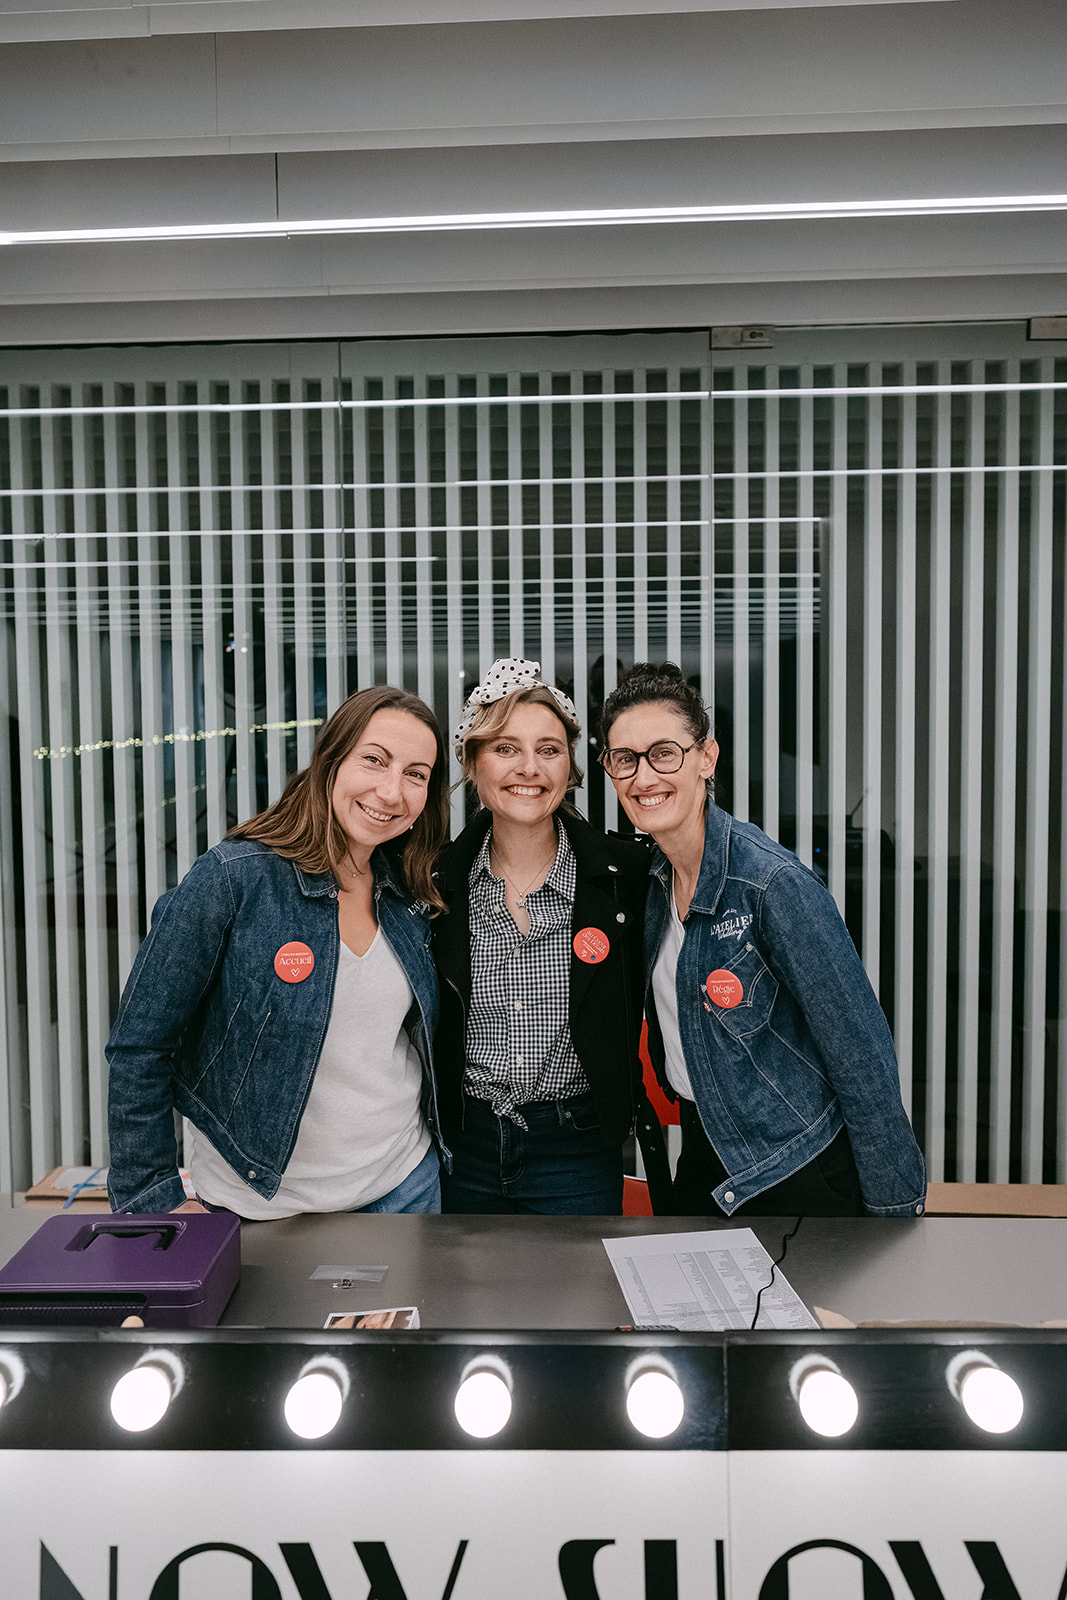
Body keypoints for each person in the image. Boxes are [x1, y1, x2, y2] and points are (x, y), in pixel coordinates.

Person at [106, 684, 450, 1219]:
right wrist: (155, 1205)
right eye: (374, 761)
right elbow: (140, 1048)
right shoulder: (231, 881)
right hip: (258, 1207)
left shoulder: (409, 890)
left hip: (404, 1191)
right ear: (330, 761)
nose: (391, 791)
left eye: (416, 774)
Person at [600, 662, 927, 1218]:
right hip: (709, 1156)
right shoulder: (649, 882)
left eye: (664, 752)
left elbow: (862, 1059)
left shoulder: (772, 885)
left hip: (799, 1167)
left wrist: (896, 1215)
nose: (643, 777)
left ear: (706, 757)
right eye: (624, 759)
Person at [432, 658, 662, 1214]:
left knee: (579, 1302)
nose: (528, 768)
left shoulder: (626, 878)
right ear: (472, 763)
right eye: (505, 748)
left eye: (549, 749)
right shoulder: (434, 883)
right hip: (465, 1148)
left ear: (571, 767)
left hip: (576, 1148)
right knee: (464, 1302)